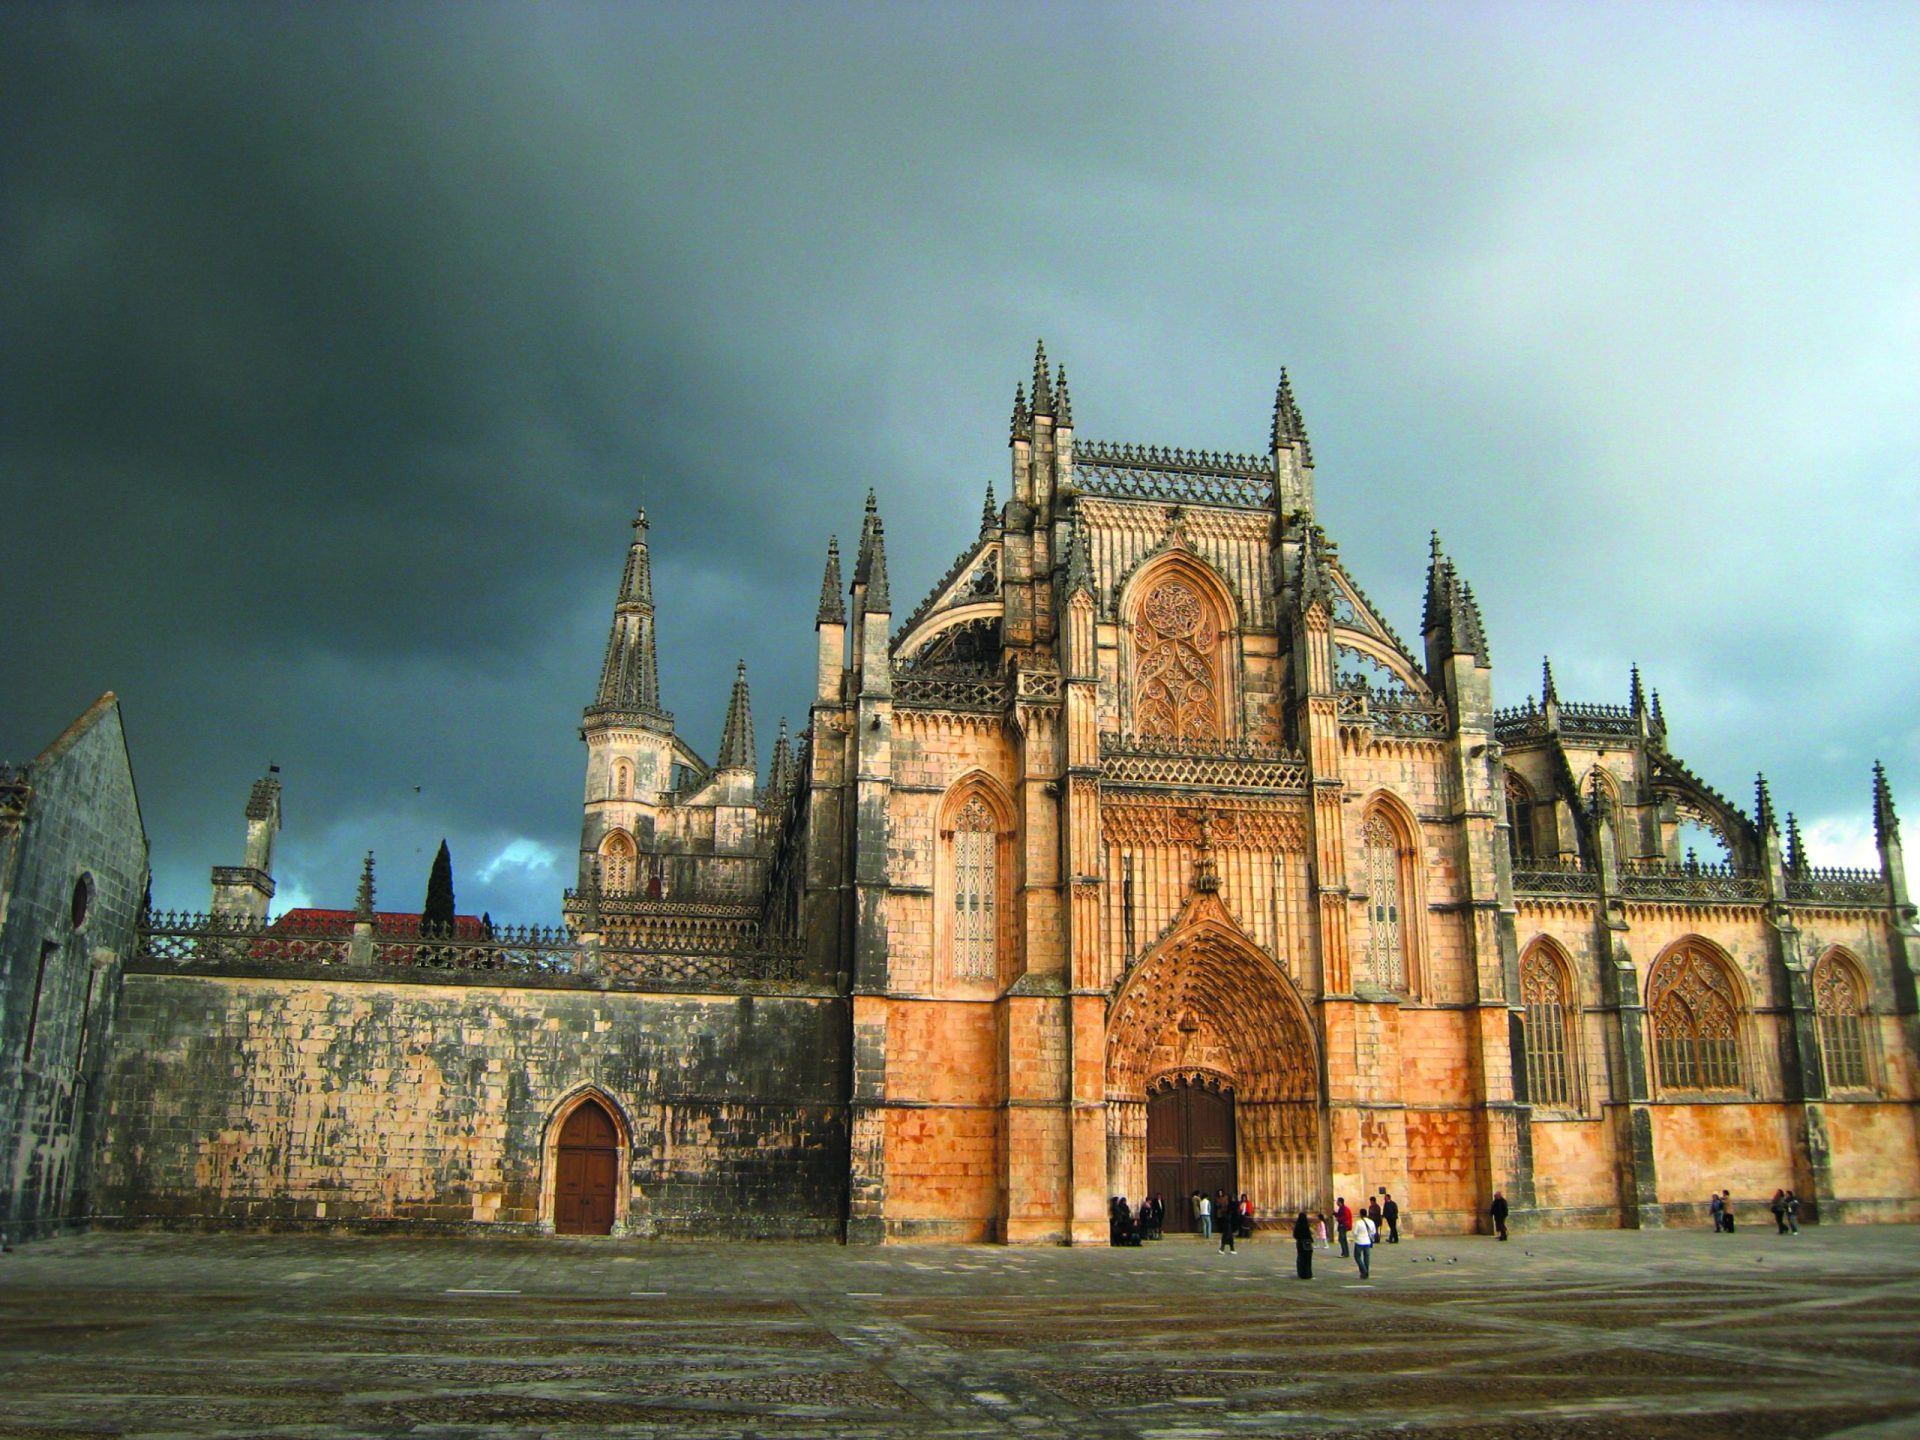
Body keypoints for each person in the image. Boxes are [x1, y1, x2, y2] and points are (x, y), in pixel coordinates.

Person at [1352, 1207, 1375, 1279]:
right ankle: (1366, 1272)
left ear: (1360, 1214)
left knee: (1357, 1256)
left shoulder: (1358, 1222)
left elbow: (1355, 1233)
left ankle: (1363, 1270)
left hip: (1359, 1241)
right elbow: (1373, 1232)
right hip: (1367, 1241)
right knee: (1366, 1257)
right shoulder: (1371, 1222)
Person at [1292, 1210, 1314, 1279]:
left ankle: (1302, 1273)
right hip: (1307, 1244)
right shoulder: (1307, 1226)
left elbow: (1295, 1235)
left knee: (1301, 1258)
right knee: (1308, 1259)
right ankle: (1308, 1273)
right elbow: (1309, 1235)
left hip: (1300, 1243)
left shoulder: (1298, 1225)